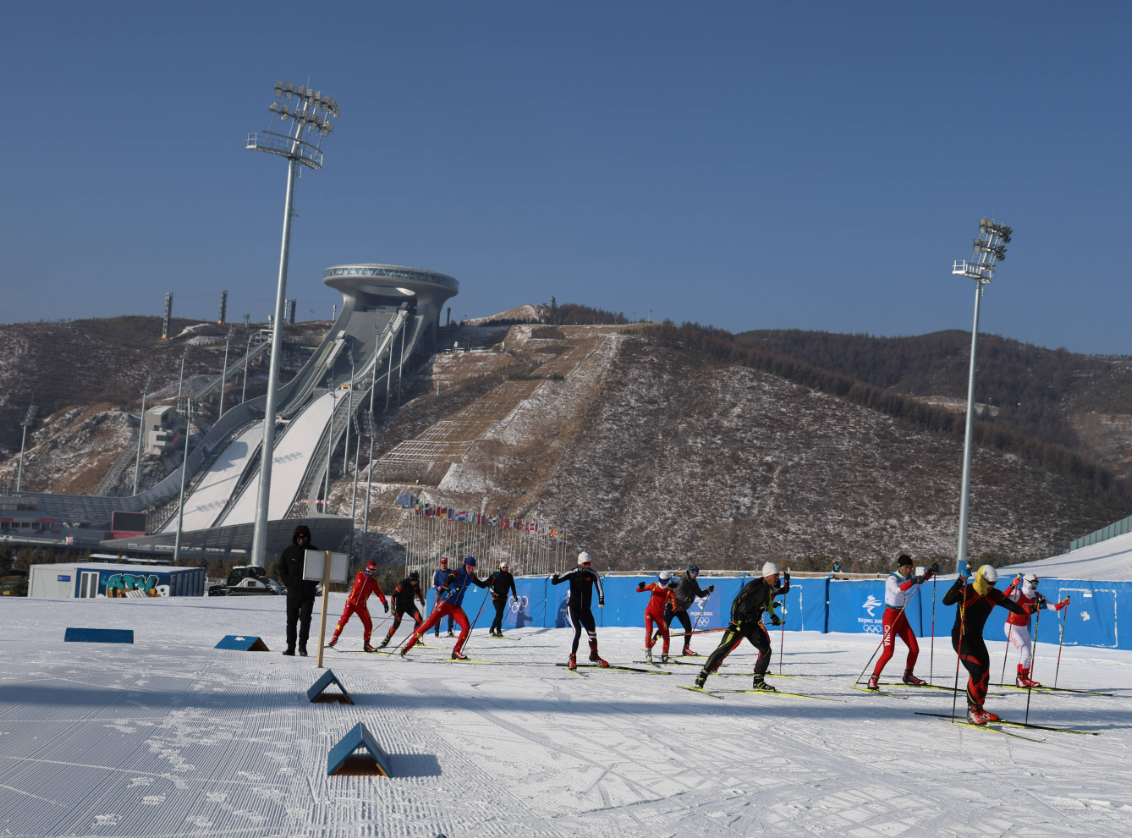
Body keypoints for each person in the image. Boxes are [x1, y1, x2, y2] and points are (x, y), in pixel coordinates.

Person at [943, 564, 1035, 725]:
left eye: (993, 584)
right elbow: (947, 601)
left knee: (985, 673)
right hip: (961, 638)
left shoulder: (994, 594)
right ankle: (972, 711)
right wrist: (960, 580)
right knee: (976, 671)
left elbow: (1016, 608)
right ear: (980, 578)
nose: (991, 587)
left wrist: (1033, 608)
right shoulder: (966, 590)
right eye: (988, 583)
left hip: (977, 638)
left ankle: (980, 708)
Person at [695, 562, 790, 692]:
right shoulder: (754, 585)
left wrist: (773, 617)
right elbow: (736, 601)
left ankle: (758, 681)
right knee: (723, 648)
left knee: (766, 649)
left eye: (778, 575)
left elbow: (768, 603)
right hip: (740, 623)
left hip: (753, 625)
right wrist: (734, 621)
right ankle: (702, 676)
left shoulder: (769, 588)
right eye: (775, 575)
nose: (777, 577)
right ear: (767, 574)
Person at [867, 555, 936, 690]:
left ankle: (908, 675)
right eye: (906, 567)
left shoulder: (910, 577)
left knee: (915, 649)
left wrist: (930, 572)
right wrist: (914, 580)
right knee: (888, 653)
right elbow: (897, 590)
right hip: (890, 618)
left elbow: (922, 580)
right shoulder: (892, 578)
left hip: (901, 617)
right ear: (899, 566)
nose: (908, 570)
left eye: (910, 567)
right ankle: (873, 679)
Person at [402, 556, 490, 659]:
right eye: (470, 567)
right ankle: (407, 647)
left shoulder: (471, 576)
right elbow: (445, 585)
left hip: (456, 607)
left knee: (466, 627)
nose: (471, 570)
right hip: (444, 603)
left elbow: (483, 585)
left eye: (473, 568)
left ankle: (456, 651)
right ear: (465, 566)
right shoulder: (456, 573)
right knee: (428, 624)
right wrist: (449, 590)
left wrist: (493, 577)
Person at [1002, 573, 1069, 687]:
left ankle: (1025, 678)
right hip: (1012, 627)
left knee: (1029, 654)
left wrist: (1063, 604)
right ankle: (1020, 679)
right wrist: (1012, 585)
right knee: (1025, 652)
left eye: (1036, 584)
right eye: (1033, 584)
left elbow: (1053, 607)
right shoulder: (1018, 593)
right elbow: (1002, 598)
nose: (1035, 587)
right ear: (1026, 582)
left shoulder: (1038, 596)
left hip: (1024, 628)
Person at [551, 551, 608, 670]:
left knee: (592, 633)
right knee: (577, 631)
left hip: (585, 610)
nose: (588, 566)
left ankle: (594, 655)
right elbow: (555, 582)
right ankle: (572, 658)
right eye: (586, 563)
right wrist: (556, 575)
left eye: (589, 563)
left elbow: (599, 586)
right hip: (573, 608)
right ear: (580, 563)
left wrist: (601, 600)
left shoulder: (592, 574)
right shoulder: (573, 573)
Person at [275, 525, 318, 656]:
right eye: (299, 538)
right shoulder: (289, 552)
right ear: (295, 538)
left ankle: (302, 647)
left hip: (307, 594)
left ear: (308, 538)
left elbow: (320, 569)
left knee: (305, 620)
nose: (301, 541)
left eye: (304, 538)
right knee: (291, 621)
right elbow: (282, 568)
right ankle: (291, 647)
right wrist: (288, 582)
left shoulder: (314, 551)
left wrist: (312, 583)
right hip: (293, 593)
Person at [327, 561, 389, 651]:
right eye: (369, 572)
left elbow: (379, 593)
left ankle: (366, 645)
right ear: (366, 570)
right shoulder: (359, 575)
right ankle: (334, 638)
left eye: (373, 573)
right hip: (351, 603)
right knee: (343, 620)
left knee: (368, 624)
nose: (371, 574)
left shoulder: (373, 582)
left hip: (361, 606)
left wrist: (384, 602)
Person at [666, 565, 714, 656]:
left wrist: (707, 591)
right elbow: (679, 594)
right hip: (673, 606)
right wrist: (688, 599)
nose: (695, 575)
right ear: (689, 572)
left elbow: (699, 594)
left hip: (682, 609)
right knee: (664, 626)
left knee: (688, 628)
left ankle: (686, 649)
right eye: (694, 573)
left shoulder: (694, 583)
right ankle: (652, 642)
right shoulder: (682, 581)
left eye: (697, 573)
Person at [637, 572, 678, 663]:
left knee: (666, 635)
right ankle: (648, 653)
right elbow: (638, 590)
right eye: (661, 581)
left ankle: (665, 656)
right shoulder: (653, 586)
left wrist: (670, 613)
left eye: (665, 581)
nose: (662, 583)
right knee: (649, 631)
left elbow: (675, 607)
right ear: (659, 579)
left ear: (668, 581)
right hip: (649, 613)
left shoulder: (669, 591)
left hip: (659, 615)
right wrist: (641, 587)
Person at [379, 569, 426, 648]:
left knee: (419, 620)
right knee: (397, 624)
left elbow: (418, 592)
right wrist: (393, 608)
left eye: (416, 581)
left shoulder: (416, 584)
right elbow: (393, 595)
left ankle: (415, 639)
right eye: (413, 581)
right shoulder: (402, 584)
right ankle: (386, 640)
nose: (414, 582)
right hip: (400, 606)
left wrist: (421, 600)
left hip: (410, 606)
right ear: (410, 579)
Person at [488, 561, 518, 637]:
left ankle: (492, 629)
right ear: (500, 568)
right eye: (503, 567)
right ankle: (499, 631)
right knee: (499, 612)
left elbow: (513, 587)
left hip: (504, 598)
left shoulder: (509, 576)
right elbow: (490, 587)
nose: (505, 569)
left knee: (499, 614)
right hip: (496, 597)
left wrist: (515, 595)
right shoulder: (496, 575)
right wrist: (493, 593)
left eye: (506, 567)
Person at [431, 557, 456, 637]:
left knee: (451, 611)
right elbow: (433, 584)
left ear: (447, 563)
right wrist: (437, 587)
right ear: (440, 563)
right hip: (441, 593)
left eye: (445, 563)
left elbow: (455, 582)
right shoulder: (437, 572)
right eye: (442, 563)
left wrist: (453, 589)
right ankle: (436, 630)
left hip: (449, 593)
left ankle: (449, 629)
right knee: (439, 611)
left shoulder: (451, 572)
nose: (443, 565)